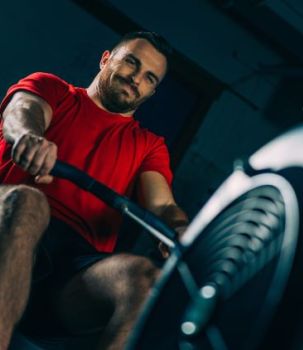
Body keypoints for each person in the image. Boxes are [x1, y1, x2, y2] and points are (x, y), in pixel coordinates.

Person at [0, 31, 189, 349]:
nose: (136, 79)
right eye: (132, 62)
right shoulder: (53, 89)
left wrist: (181, 230)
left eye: (149, 78)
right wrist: (29, 137)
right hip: (11, 218)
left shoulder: (148, 146)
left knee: (146, 279)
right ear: (106, 59)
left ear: (152, 91)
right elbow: (22, 113)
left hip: (70, 273)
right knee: (28, 202)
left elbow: (164, 207)